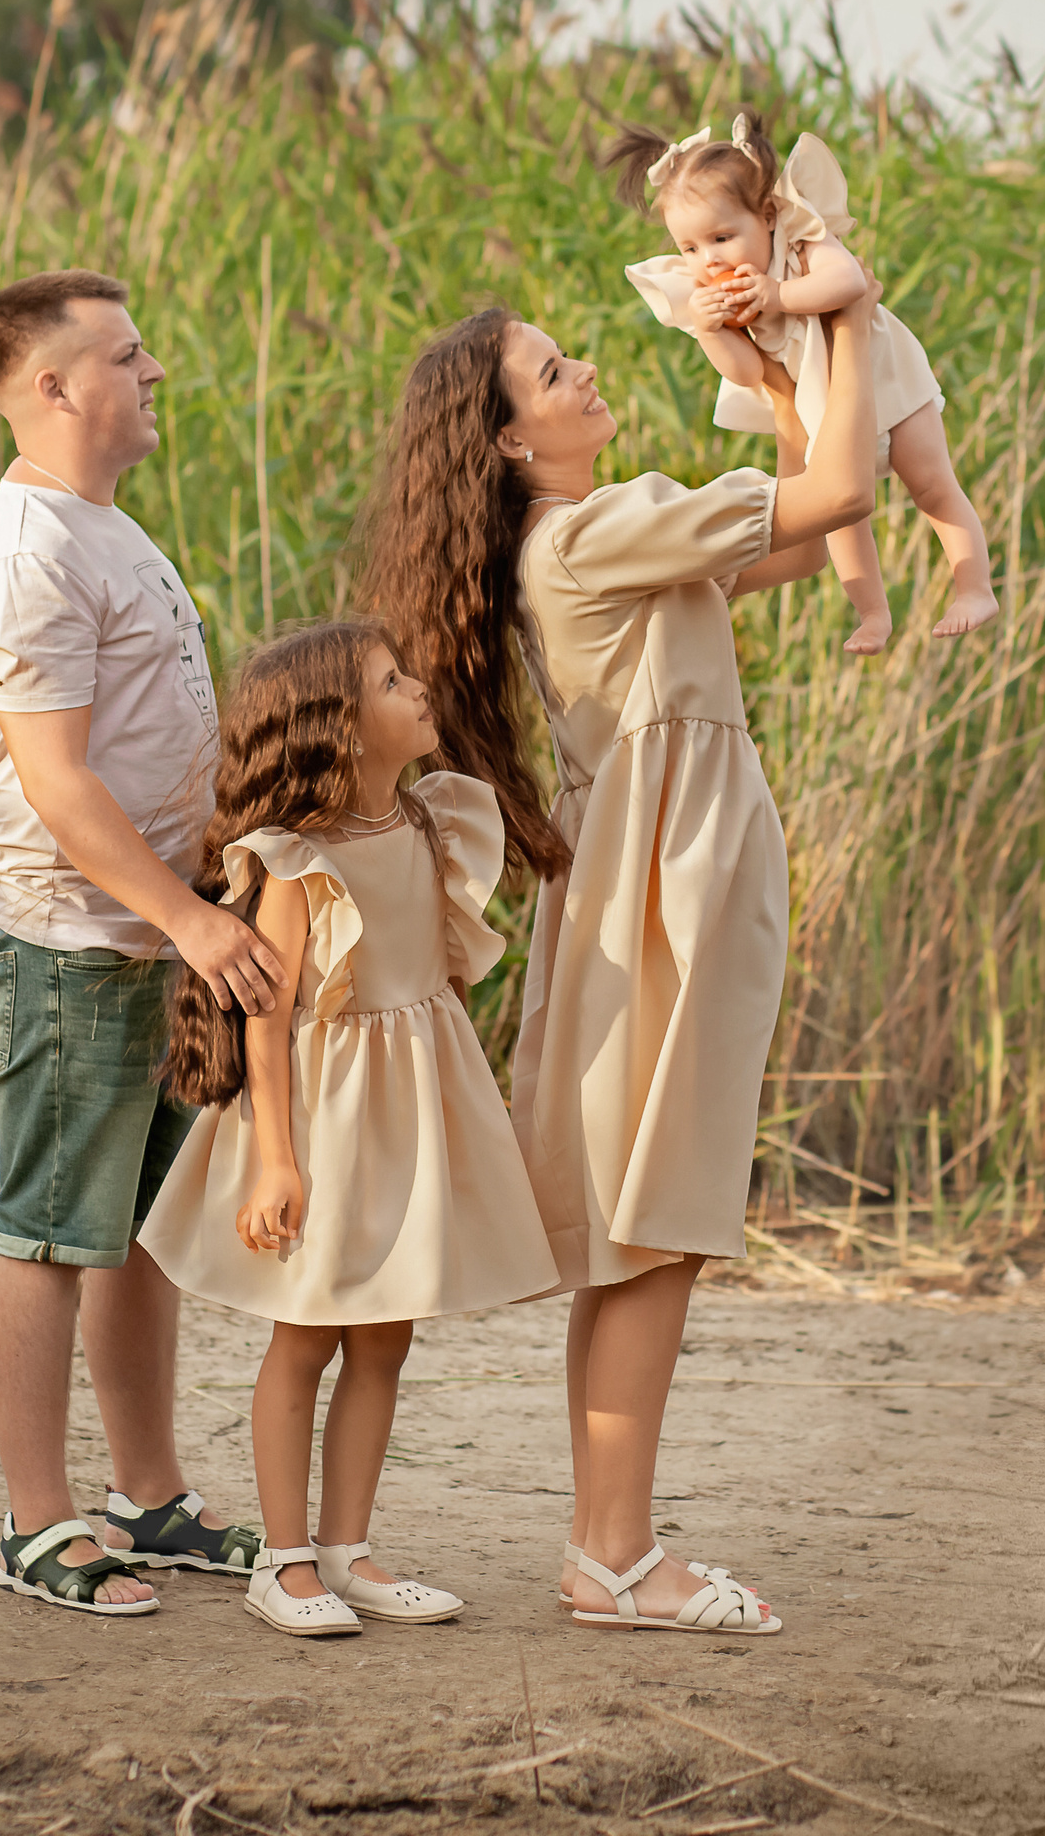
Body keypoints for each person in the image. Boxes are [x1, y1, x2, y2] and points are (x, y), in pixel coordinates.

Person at [363, 286, 892, 1634]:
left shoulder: (594, 539)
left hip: (651, 883)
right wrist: (844, 312)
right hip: (671, 895)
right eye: (551, 371)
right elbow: (847, 484)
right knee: (657, 1231)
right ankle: (615, 1554)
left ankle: (607, 1548)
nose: (584, 369)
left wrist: (762, 367)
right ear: (508, 439)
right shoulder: (595, 534)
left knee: (638, 1234)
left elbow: (808, 516)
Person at [0, 267, 288, 1616]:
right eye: (127, 356)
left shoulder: (102, 525)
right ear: (53, 385)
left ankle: (150, 1500)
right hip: (65, 944)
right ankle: (36, 1523)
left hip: (145, 936)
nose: (153, 374)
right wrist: (191, 919)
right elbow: (57, 785)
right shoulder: (28, 555)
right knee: (48, 1231)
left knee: (139, 1233)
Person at [140, 622, 556, 1637]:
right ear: (340, 725)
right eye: (391, 680)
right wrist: (275, 1161)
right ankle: (281, 1559)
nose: (419, 688)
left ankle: (347, 1548)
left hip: (409, 1106)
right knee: (308, 1332)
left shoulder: (432, 819)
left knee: (385, 1334)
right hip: (325, 1119)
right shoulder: (297, 860)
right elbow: (268, 1019)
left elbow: (439, 971)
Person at [606, 110, 997, 656]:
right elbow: (748, 374)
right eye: (690, 248)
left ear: (768, 215)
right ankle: (872, 612)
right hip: (825, 405)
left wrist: (778, 296)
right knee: (838, 508)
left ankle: (974, 588)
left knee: (930, 482)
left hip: (884, 373)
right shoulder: (715, 297)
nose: (708, 260)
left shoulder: (800, 242)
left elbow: (849, 280)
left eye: (722, 237)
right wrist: (710, 331)